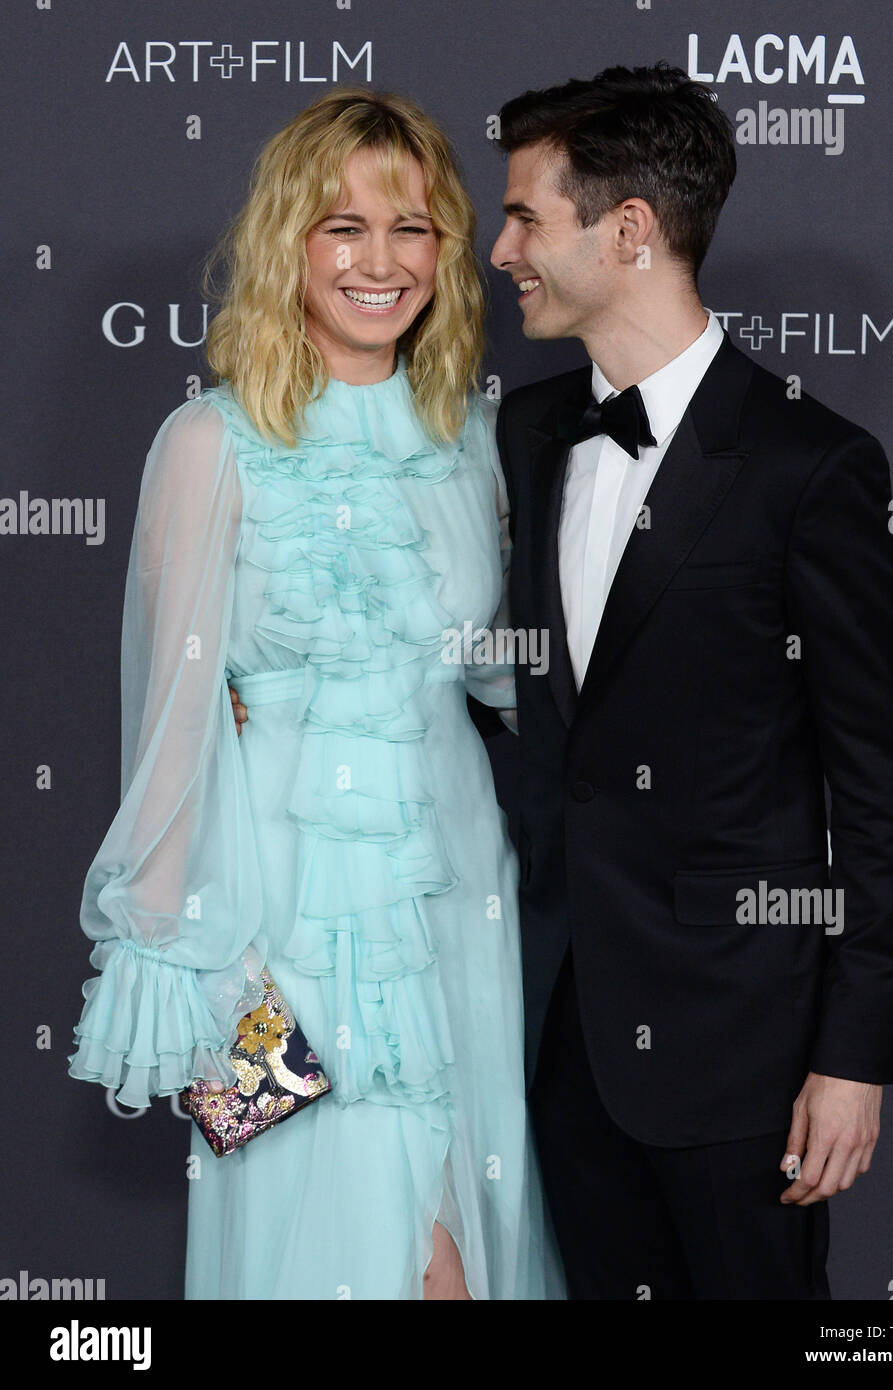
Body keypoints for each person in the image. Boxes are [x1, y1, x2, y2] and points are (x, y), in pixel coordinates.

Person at [67, 87, 565, 1301]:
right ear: (289, 242)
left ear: (448, 251)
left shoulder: (471, 444)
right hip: (276, 929)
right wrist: (180, 976)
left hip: (456, 909)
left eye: (412, 229)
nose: (381, 262)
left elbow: (505, 676)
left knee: (471, 1245)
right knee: (335, 1255)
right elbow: (176, 723)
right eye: (343, 228)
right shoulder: (210, 443)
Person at [484, 62, 893, 1299]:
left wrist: (855, 1056)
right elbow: (527, 713)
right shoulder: (525, 433)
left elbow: (880, 786)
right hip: (560, 1034)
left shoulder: (809, 461)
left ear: (627, 230)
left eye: (525, 216)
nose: (499, 247)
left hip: (746, 1055)